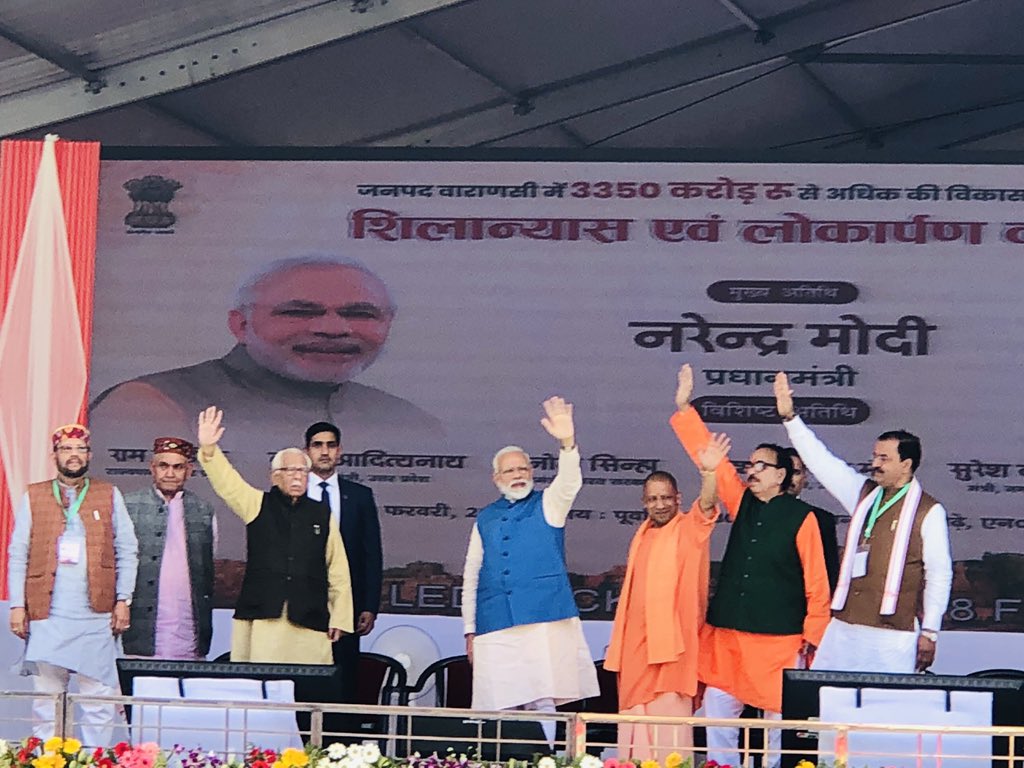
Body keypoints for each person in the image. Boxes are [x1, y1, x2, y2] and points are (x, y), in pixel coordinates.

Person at [88, 255, 442, 474]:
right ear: (241, 325)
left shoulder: (408, 421)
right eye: (299, 312)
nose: (333, 329)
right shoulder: (151, 404)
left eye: (361, 313)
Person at [672, 365, 831, 768]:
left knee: (777, 719)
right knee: (718, 709)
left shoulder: (802, 517)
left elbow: (816, 582)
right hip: (730, 635)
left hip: (779, 640)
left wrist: (813, 637)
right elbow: (714, 462)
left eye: (762, 465)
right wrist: (685, 408)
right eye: (751, 465)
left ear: (781, 475)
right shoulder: (741, 501)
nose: (752, 470)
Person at [774, 372, 953, 673]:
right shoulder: (864, 494)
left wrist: (931, 631)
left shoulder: (928, 510)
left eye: (884, 459)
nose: (875, 464)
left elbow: (939, 573)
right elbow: (822, 462)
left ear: (906, 464)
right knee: (828, 698)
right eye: (875, 456)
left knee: (883, 702)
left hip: (892, 635)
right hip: (844, 626)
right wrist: (791, 419)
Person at [460, 397, 599, 746]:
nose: (518, 475)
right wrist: (469, 629)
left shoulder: (549, 504)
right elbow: (472, 574)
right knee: (500, 702)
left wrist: (567, 443)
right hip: (495, 620)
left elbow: (569, 482)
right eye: (510, 471)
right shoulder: (485, 517)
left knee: (542, 698)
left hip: (543, 617)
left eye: (523, 468)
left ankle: (545, 758)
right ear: (496, 478)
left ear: (532, 472)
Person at [7, 424, 138, 745]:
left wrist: (124, 599)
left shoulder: (108, 494)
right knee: (48, 699)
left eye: (80, 449)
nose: (74, 455)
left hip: (96, 615)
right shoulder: (35, 495)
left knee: (98, 698)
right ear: (55, 455)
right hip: (46, 614)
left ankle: (94, 760)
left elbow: (127, 549)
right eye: (66, 449)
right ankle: (50, 760)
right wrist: (17, 605)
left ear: (89, 455)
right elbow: (18, 552)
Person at [604, 433, 728, 762]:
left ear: (678, 498)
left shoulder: (689, 529)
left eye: (666, 498)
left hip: (673, 651)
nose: (659, 505)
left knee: (669, 727)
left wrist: (709, 474)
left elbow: (706, 506)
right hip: (636, 650)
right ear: (644, 502)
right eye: (653, 499)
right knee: (634, 723)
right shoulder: (642, 535)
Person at [195, 406, 352, 663]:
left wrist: (341, 617)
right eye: (291, 471)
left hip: (309, 617)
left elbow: (338, 569)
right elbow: (228, 483)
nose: (298, 477)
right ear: (275, 476)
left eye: (303, 471)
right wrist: (210, 450)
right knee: (263, 681)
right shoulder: (257, 503)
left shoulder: (321, 514)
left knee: (308, 683)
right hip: (264, 615)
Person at [305, 421, 383, 699]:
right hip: (301, 605)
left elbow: (371, 553)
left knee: (343, 681)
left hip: (346, 604)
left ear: (340, 451)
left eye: (331, 445)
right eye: (317, 445)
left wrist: (369, 606)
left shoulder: (360, 495)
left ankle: (340, 730)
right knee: (302, 681)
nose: (324, 451)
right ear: (307, 451)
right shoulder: (292, 493)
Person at [121, 437, 216, 659]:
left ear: (189, 471)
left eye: (178, 467)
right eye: (163, 466)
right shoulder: (128, 505)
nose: (170, 473)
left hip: (187, 623)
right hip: (139, 625)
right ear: (152, 468)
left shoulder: (203, 510)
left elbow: (208, 569)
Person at [781, 446, 841, 594]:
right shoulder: (754, 514)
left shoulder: (823, 520)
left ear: (804, 477)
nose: (789, 479)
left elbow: (829, 576)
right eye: (785, 471)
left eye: (796, 472)